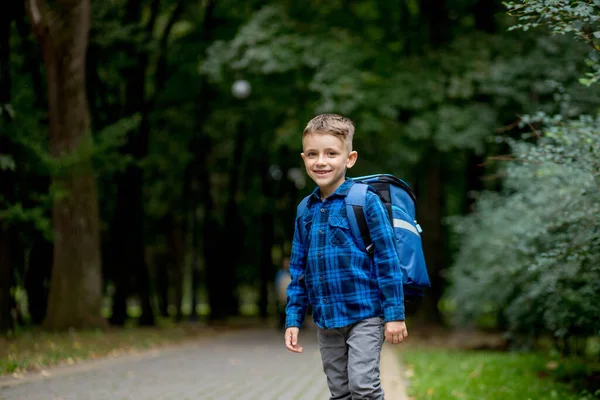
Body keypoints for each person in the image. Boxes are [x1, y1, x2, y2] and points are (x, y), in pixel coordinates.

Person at [284, 114, 408, 400]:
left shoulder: (365, 200)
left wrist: (395, 316)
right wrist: (293, 318)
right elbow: (299, 270)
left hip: (365, 315)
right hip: (327, 321)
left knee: (363, 387)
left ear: (350, 158)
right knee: (339, 391)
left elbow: (388, 261)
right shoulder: (305, 209)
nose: (321, 161)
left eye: (331, 153)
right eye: (312, 154)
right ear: (304, 158)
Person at [274, 256, 291, 330]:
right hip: (283, 296)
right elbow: (277, 284)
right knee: (282, 310)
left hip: (291, 295)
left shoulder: (293, 272)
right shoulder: (280, 273)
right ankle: (282, 323)